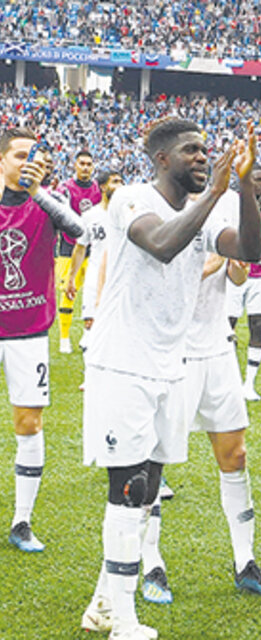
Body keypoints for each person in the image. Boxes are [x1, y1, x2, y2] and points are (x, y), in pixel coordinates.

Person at [79, 118, 261, 640]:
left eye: (207, 150)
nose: (204, 157)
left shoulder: (201, 214)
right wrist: (217, 194)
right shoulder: (132, 200)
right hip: (122, 363)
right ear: (161, 159)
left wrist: (244, 185)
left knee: (149, 485)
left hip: (169, 365)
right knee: (129, 486)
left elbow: (249, 250)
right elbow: (159, 244)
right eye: (191, 151)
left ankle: (102, 603)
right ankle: (123, 622)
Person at [139, 247, 261, 605]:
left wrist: (236, 263)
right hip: (172, 350)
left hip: (218, 349)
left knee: (235, 456)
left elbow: (238, 277)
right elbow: (157, 281)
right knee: (155, 460)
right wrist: (210, 262)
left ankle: (245, 562)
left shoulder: (227, 206)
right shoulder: (158, 206)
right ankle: (151, 564)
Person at [0, 128, 84, 553]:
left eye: (32, 155)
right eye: (17, 155)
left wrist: (37, 193)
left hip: (28, 330)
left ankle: (22, 522)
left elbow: (81, 232)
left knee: (28, 424)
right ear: (1, 161)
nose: (25, 161)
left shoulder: (48, 204)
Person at [228, 165, 261, 401]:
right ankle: (229, 380)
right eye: (258, 180)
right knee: (226, 328)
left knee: (258, 327)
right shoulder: (232, 203)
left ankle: (249, 384)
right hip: (234, 273)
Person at [65, 169, 124, 350]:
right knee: (91, 330)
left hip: (119, 278)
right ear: (103, 186)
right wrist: (71, 279)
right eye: (115, 181)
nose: (120, 186)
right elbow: (80, 247)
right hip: (94, 278)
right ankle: (88, 373)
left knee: (117, 333)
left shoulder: (128, 214)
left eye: (121, 181)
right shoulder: (91, 215)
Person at [56, 150, 100, 353]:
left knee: (94, 291)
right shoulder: (66, 188)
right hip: (68, 245)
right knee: (68, 292)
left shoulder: (98, 189)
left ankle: (89, 334)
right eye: (82, 163)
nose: (85, 167)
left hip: (92, 247)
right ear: (75, 165)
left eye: (88, 164)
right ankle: (64, 337)